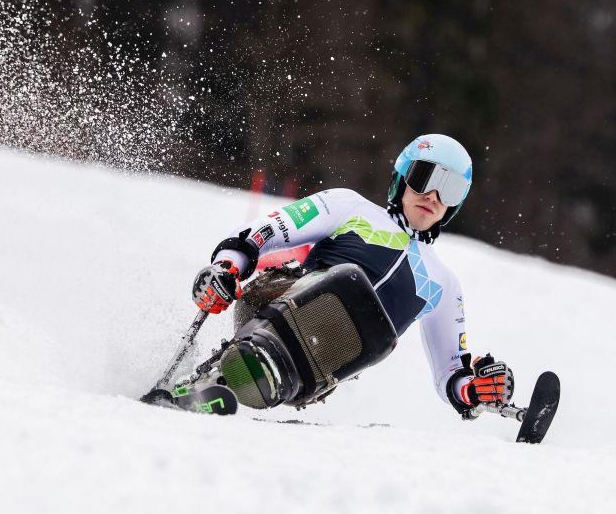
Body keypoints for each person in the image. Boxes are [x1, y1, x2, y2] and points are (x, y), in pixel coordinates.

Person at [190, 133, 513, 419]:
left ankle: (233, 385)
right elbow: (265, 232)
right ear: (401, 178)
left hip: (321, 363)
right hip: (274, 302)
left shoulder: (444, 284)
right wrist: (227, 266)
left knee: (379, 334)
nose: (432, 196)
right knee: (348, 282)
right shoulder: (350, 207)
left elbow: (451, 372)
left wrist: (474, 390)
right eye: (424, 178)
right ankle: (212, 379)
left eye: (449, 189)